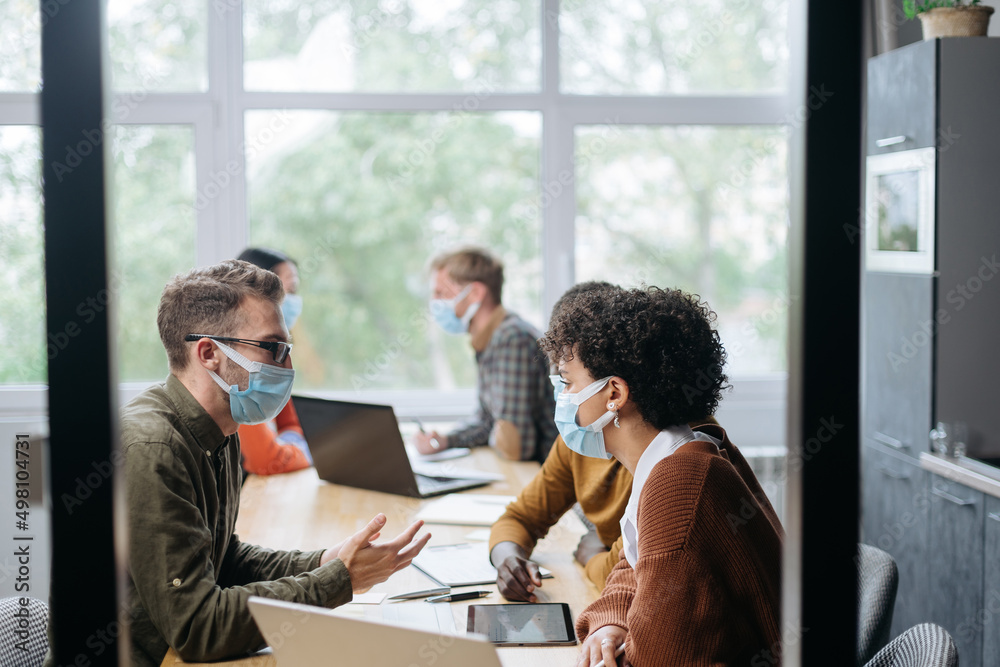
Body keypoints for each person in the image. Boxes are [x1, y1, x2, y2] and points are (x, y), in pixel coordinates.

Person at [120, 260, 430, 666]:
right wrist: (339, 581)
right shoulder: (154, 447)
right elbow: (198, 628)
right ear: (209, 353)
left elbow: (223, 559)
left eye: (287, 350)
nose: (287, 366)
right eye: (273, 348)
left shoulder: (221, 428)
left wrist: (325, 562)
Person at [538, 286, 782, 667]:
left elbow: (656, 658)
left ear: (614, 393)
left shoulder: (681, 485)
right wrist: (610, 622)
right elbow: (635, 565)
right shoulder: (674, 452)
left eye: (568, 382)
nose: (562, 395)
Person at [489, 281, 720, 600]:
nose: (562, 394)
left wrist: (591, 557)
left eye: (567, 380)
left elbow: (633, 568)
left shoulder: (672, 455)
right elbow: (521, 518)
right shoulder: (583, 434)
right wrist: (507, 559)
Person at [413, 247, 558, 462]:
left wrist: (492, 433)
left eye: (441, 293)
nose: (434, 302)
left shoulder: (512, 339)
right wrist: (444, 441)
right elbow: (488, 421)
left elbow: (515, 446)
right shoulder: (490, 339)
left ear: (475, 294)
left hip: (542, 473)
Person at [234, 247, 311, 475]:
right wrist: (303, 451)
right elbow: (267, 460)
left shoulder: (274, 353)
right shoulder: (234, 360)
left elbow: (291, 424)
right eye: (290, 290)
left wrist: (289, 446)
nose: (295, 300)